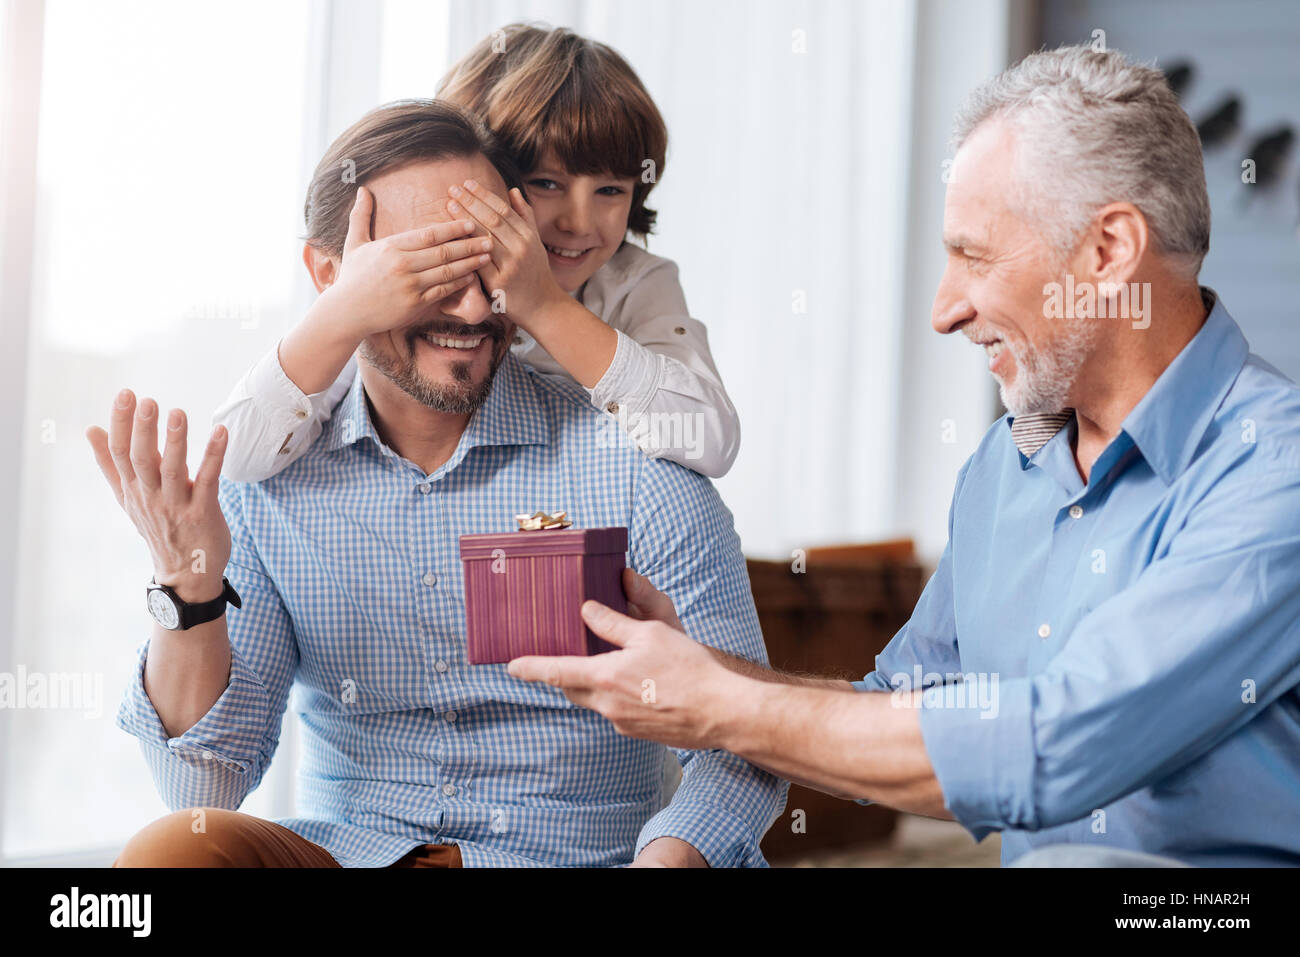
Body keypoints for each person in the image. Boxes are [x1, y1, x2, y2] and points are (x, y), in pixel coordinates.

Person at [510, 45, 1300, 867]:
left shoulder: (1272, 469)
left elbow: (1055, 745)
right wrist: (697, 670)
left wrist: (716, 706)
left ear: (1107, 253)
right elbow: (902, 707)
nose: (944, 309)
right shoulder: (1006, 466)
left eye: (976, 255)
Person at [86, 99, 785, 868]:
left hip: (581, 856)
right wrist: (187, 588)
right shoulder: (268, 481)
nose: (470, 303)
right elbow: (200, 784)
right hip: (356, 851)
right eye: (425, 268)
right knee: (169, 854)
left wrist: (671, 859)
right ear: (331, 274)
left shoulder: (638, 462)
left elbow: (747, 741)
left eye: (489, 263)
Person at [215, 23, 740, 483]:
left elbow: (709, 441)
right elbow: (237, 457)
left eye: (611, 190)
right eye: (545, 183)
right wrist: (344, 311)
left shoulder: (635, 281)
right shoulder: (406, 293)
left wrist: (545, 306)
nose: (579, 223)